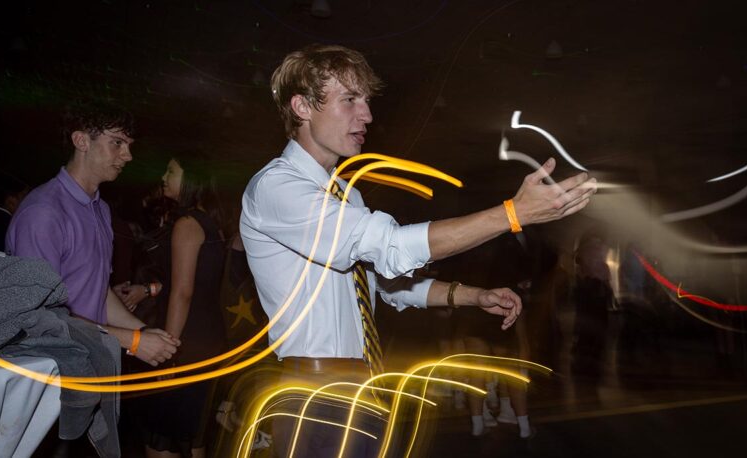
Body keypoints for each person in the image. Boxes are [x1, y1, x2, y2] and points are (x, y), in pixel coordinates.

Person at [240, 44, 596, 457]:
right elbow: (391, 246)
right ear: (301, 106)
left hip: (364, 388)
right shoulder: (276, 188)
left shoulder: (344, 198)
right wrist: (512, 214)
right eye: (350, 100)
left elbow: (386, 286)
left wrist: (471, 296)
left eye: (367, 101)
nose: (367, 115)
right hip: (317, 397)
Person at [5, 101, 180, 367]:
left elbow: (98, 291)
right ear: (81, 141)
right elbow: (38, 315)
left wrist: (141, 331)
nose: (128, 156)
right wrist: (130, 340)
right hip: (51, 367)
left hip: (93, 360)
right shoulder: (43, 212)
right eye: (118, 143)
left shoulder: (100, 209)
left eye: (129, 145)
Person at [137, 157, 228, 458]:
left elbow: (183, 293)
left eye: (171, 171)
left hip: (187, 343)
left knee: (160, 440)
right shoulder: (211, 220)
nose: (163, 176)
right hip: (208, 339)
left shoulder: (187, 223)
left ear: (192, 177)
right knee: (193, 437)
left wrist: (168, 350)